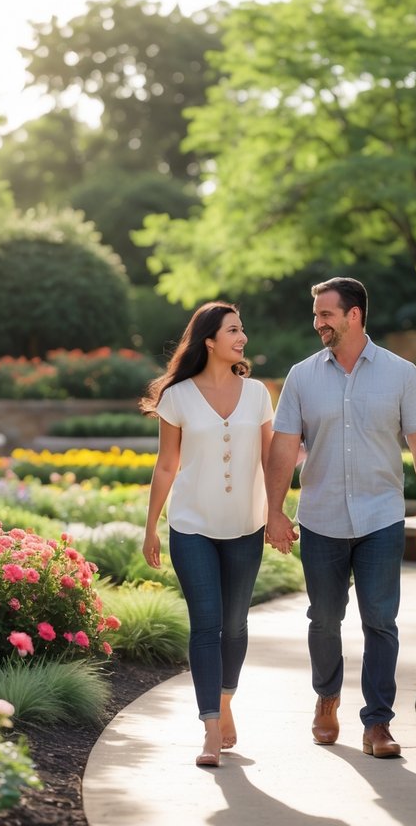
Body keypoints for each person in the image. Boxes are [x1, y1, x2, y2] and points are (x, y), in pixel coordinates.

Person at [264, 276, 416, 759]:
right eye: (317, 314)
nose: (317, 322)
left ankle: (378, 724)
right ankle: (327, 697)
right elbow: (283, 447)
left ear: (354, 315)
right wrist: (274, 510)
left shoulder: (401, 373)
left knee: (380, 621)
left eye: (326, 314)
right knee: (323, 619)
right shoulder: (302, 376)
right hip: (320, 517)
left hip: (381, 517)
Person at [140, 301, 275, 769]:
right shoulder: (177, 397)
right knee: (206, 624)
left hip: (245, 525)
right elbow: (166, 464)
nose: (242, 337)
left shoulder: (257, 393)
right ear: (210, 340)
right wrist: (152, 525)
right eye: (232, 330)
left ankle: (226, 699)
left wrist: (277, 512)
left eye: (243, 328)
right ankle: (211, 728)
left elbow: (270, 460)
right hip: (191, 525)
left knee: (235, 624)